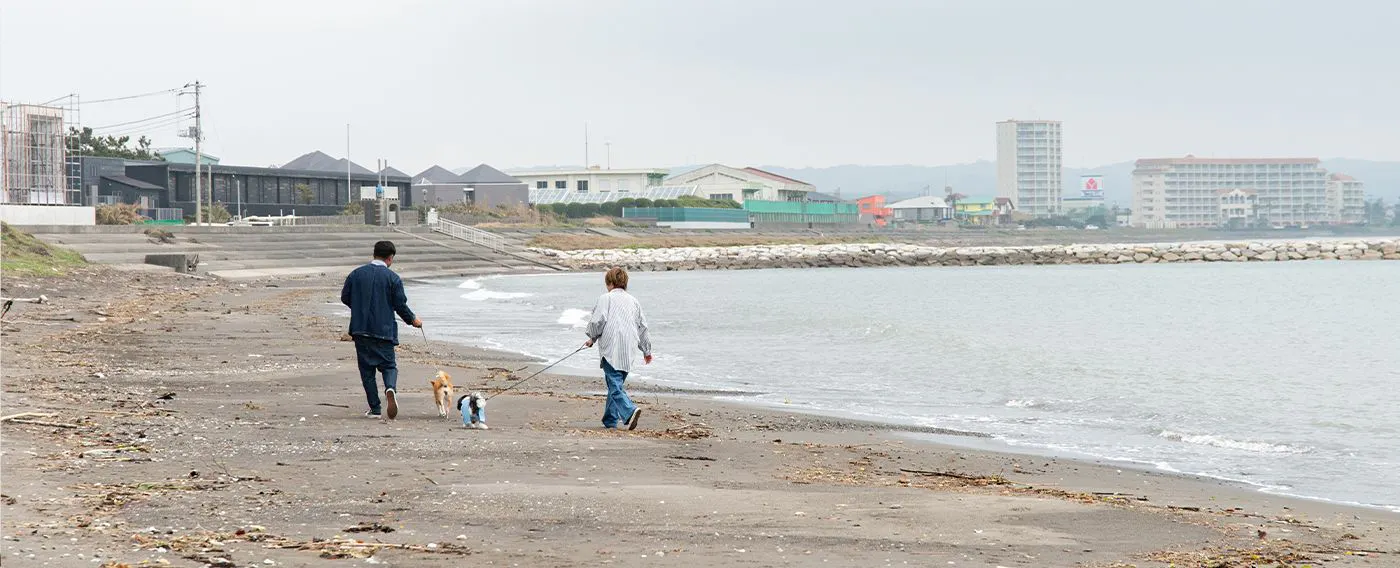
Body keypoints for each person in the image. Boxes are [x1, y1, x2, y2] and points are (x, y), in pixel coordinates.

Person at [341, 240, 421, 419]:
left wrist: (360, 308)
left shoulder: (356, 274)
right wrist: (413, 320)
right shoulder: (392, 278)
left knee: (366, 370)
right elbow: (400, 305)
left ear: (374, 254)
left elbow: (345, 297)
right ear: (390, 258)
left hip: (360, 329)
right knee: (389, 365)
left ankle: (375, 409)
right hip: (384, 329)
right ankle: (390, 388)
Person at [584, 267, 653, 430]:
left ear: (610, 283)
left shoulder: (605, 298)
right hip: (629, 348)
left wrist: (592, 337)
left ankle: (629, 411)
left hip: (612, 347)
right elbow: (642, 327)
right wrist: (647, 350)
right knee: (615, 383)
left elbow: (597, 321)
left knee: (614, 384)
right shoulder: (634, 301)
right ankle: (610, 420)